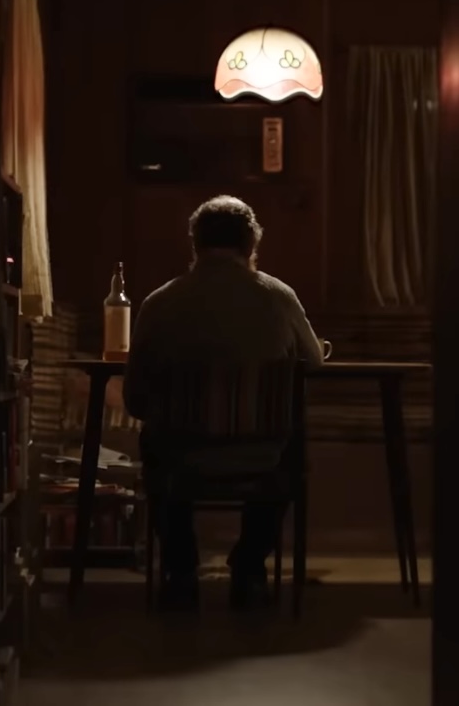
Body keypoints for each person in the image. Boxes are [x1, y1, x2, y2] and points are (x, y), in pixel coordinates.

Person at [122, 195, 326, 611]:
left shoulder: (159, 303)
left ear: (195, 243)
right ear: (251, 244)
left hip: (180, 457)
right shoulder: (278, 297)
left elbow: (136, 401)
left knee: (153, 446)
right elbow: (314, 362)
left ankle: (181, 570)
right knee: (293, 450)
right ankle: (249, 566)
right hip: (262, 456)